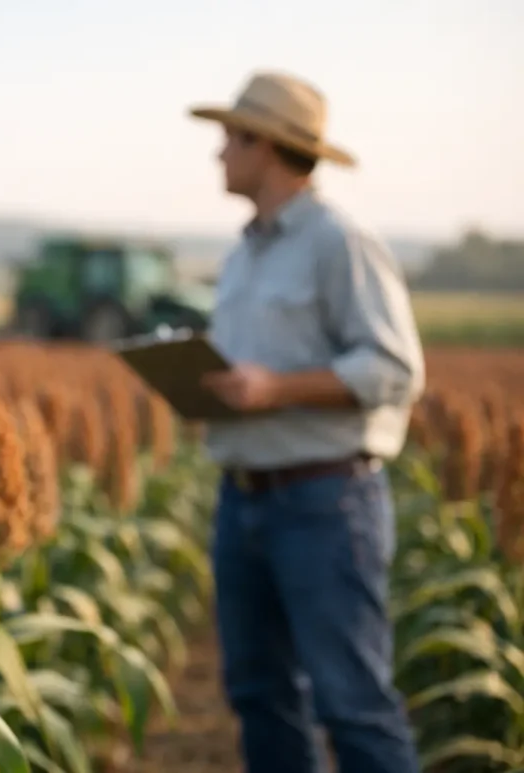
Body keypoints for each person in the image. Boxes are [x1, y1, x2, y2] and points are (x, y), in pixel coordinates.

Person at [187, 71, 425, 773]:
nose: (218, 153)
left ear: (263, 145)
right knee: (260, 697)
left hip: (324, 502)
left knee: (352, 704)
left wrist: (277, 389)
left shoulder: (339, 241)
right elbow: (251, 372)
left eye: (229, 139)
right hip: (242, 498)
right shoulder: (243, 255)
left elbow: (395, 369)